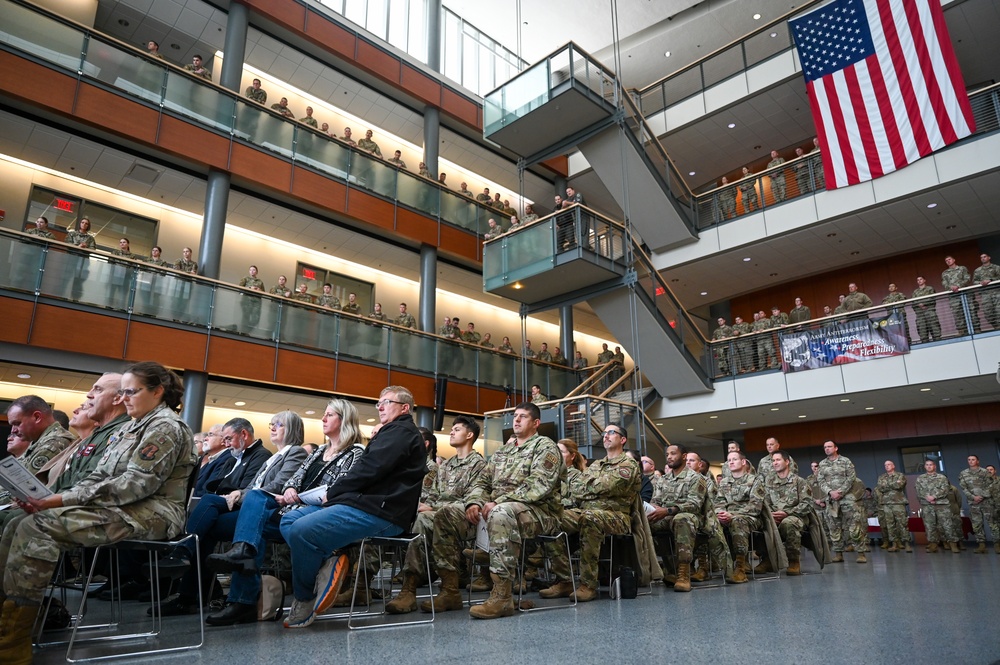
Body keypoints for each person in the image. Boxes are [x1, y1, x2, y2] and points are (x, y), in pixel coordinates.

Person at [0, 362, 195, 663]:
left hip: (153, 514)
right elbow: (98, 477)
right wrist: (57, 499)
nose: (125, 397)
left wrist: (60, 501)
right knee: (19, 523)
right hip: (122, 507)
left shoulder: (165, 427)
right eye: (123, 391)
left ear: (157, 391)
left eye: (132, 391)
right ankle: (8, 617)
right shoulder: (129, 428)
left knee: (36, 526)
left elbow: (134, 486)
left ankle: (12, 643)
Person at [278, 386, 425, 629]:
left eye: (386, 402)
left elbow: (368, 471)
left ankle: (305, 598)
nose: (379, 407)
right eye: (378, 402)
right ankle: (328, 561)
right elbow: (367, 472)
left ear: (404, 407)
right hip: (365, 504)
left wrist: (332, 492)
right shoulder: (391, 432)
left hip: (383, 512)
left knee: (300, 531)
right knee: (288, 521)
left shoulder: (401, 432)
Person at [203, 405, 358, 625]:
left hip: (315, 512)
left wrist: (298, 496)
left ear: (345, 420)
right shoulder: (317, 451)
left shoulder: (354, 452)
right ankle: (241, 598)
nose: (322, 418)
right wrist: (290, 489)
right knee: (253, 513)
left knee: (251, 523)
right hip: (289, 507)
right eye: (323, 413)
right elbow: (296, 478)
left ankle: (245, 598)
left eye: (329, 414)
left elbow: (340, 487)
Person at [157, 414, 308, 619]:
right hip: (252, 505)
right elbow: (252, 485)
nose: (272, 428)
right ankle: (191, 592)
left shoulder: (296, 452)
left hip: (269, 510)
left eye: (279, 424)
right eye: (272, 424)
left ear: (292, 429)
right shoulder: (274, 456)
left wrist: (240, 494)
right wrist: (240, 493)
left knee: (211, 505)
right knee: (207, 520)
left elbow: (278, 485)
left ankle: (186, 560)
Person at [424, 402, 560, 619]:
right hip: (496, 508)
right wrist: (474, 502)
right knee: (446, 514)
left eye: (522, 417)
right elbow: (483, 482)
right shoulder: (503, 451)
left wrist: (499, 501)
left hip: (539, 511)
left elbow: (539, 484)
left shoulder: (544, 447)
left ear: (535, 423)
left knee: (501, 513)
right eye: (515, 416)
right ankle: (450, 590)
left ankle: (502, 597)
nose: (516, 420)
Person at [385, 416, 485, 614]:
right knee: (422, 518)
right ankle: (409, 589)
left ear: (470, 435)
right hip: (441, 515)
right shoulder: (446, 466)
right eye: (452, 429)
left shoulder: (479, 465)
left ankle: (449, 589)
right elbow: (432, 495)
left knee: (441, 514)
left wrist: (435, 507)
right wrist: (427, 506)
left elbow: (473, 498)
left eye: (457, 429)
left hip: (466, 519)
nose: (452, 432)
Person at [538, 425, 638, 602]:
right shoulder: (597, 464)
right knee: (550, 518)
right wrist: (596, 486)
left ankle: (588, 584)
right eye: (604, 433)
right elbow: (577, 489)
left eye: (611, 433)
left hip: (617, 516)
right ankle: (565, 580)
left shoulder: (628, 465)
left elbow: (610, 486)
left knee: (590, 518)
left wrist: (593, 486)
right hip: (586, 511)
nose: (606, 436)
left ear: (623, 440)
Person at [646, 444, 706, 592]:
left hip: (691, 517)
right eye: (667, 455)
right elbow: (656, 500)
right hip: (666, 516)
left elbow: (695, 504)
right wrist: (651, 510)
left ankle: (684, 574)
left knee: (681, 520)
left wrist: (668, 511)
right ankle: (664, 569)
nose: (669, 457)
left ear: (684, 456)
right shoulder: (663, 479)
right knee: (644, 524)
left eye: (673, 454)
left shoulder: (695, 478)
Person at [0, 396, 75, 505]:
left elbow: (25, 489)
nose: (13, 430)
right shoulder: (37, 441)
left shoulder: (55, 443)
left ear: (37, 417)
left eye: (17, 423)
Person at [714, 451, 765, 583]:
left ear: (743, 462)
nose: (730, 462)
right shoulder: (724, 482)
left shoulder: (754, 480)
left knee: (737, 521)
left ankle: (741, 569)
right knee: (709, 523)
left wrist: (733, 515)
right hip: (727, 517)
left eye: (734, 459)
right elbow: (719, 502)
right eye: (729, 460)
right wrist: (721, 513)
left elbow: (755, 506)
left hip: (749, 517)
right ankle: (709, 566)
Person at [762, 450, 814, 575]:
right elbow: (765, 502)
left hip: (796, 516)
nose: (775, 463)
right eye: (773, 461)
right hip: (774, 517)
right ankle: (768, 561)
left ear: (787, 462)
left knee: (789, 523)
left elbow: (807, 504)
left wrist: (787, 512)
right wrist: (772, 515)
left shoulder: (799, 482)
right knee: (761, 523)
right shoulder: (768, 482)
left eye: (778, 460)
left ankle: (793, 561)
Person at [817, 440, 868, 563]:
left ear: (836, 448)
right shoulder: (822, 464)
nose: (827, 449)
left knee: (854, 526)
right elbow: (820, 480)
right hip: (831, 500)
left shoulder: (845, 461)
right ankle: (838, 553)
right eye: (825, 447)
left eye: (829, 446)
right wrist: (830, 492)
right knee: (834, 527)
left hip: (847, 499)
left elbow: (851, 478)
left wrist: (841, 491)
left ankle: (861, 553)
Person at [915, 459, 959, 553]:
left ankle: (953, 544)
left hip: (941, 504)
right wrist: (928, 498)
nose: (929, 466)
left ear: (935, 466)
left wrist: (934, 497)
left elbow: (945, 489)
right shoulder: (920, 478)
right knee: (930, 526)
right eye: (927, 465)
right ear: (925, 466)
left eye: (931, 465)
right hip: (927, 505)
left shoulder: (942, 477)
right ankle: (933, 544)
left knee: (947, 525)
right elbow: (919, 491)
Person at [959, 455, 993, 553]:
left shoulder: (985, 472)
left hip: (986, 502)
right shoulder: (963, 473)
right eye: (969, 460)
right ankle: (981, 545)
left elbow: (990, 486)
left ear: (977, 461)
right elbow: (964, 488)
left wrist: (981, 496)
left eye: (973, 459)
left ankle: (997, 544)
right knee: (977, 524)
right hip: (973, 502)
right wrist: (973, 497)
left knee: (992, 523)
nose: (971, 461)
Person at [876, 460, 911, 553]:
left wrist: (887, 485)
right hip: (887, 504)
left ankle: (906, 543)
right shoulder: (882, 477)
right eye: (885, 465)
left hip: (898, 503)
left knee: (902, 523)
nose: (887, 466)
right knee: (890, 524)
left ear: (893, 465)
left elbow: (899, 485)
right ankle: (894, 544)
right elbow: (880, 487)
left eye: (889, 464)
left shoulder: (900, 475)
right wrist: (894, 484)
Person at [941, 255, 972, 335]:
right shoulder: (944, 273)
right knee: (957, 313)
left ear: (954, 260)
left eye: (949, 259)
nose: (948, 261)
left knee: (971, 310)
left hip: (965, 293)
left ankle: (975, 329)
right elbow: (944, 283)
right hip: (953, 296)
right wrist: (951, 287)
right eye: (946, 260)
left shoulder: (962, 268)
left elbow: (967, 278)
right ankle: (961, 331)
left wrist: (958, 286)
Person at [972, 253, 1000, 329]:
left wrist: (990, 280)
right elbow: (974, 281)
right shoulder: (978, 270)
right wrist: (980, 283)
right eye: (981, 257)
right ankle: (996, 326)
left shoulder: (996, 267)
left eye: (984, 257)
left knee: (999, 311)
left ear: (989, 257)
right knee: (988, 313)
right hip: (985, 294)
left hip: (997, 292)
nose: (983, 258)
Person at [912, 276, 941, 342]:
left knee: (934, 328)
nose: (919, 281)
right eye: (918, 280)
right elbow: (913, 302)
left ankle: (938, 342)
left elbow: (932, 298)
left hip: (930, 312)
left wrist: (924, 304)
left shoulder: (930, 289)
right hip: (920, 314)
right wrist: (919, 305)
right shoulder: (915, 292)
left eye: (921, 279)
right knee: (922, 331)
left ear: (924, 280)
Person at [238, 265, 265, 333]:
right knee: (246, 317)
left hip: (257, 301)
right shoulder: (245, 278)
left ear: (256, 272)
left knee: (256, 319)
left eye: (254, 270)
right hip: (247, 300)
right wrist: (250, 288)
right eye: (250, 270)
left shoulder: (260, 282)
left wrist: (259, 290)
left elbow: (263, 292)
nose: (252, 271)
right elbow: (240, 288)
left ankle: (246, 331)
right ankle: (243, 332)